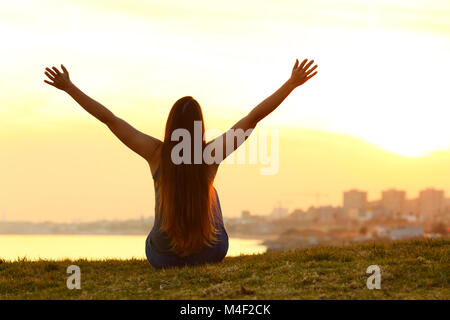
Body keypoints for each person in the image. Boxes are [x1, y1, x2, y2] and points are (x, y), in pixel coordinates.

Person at [43, 58, 318, 268]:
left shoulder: (155, 152)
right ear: (199, 128)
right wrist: (290, 84)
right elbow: (253, 117)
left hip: (162, 257)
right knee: (211, 190)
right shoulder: (210, 155)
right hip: (209, 253)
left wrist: (69, 88)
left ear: (170, 125)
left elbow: (110, 119)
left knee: (201, 191)